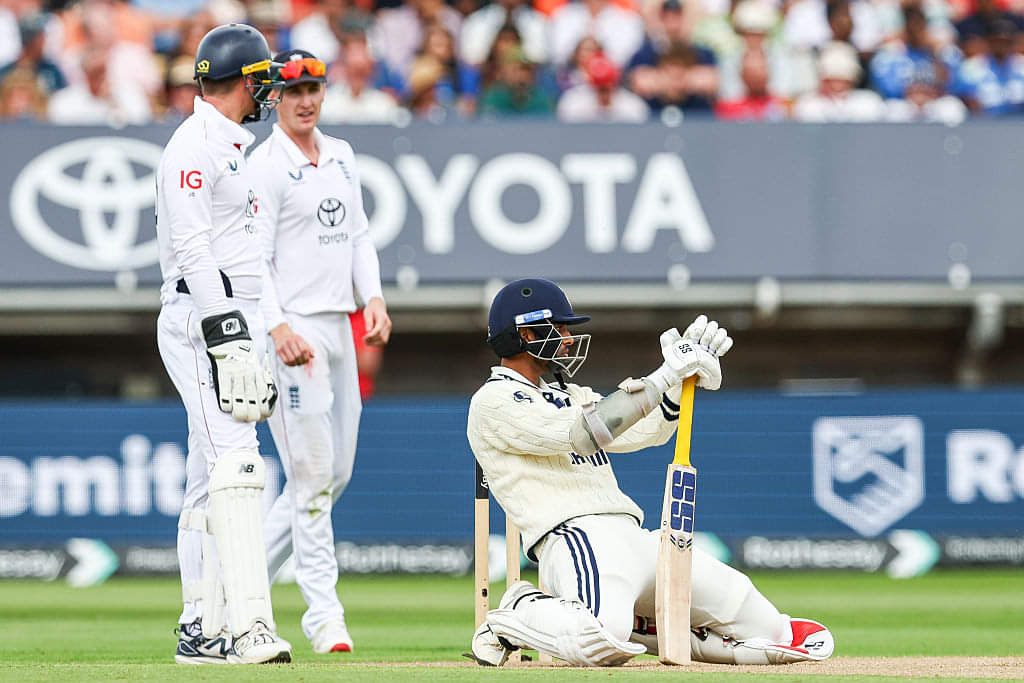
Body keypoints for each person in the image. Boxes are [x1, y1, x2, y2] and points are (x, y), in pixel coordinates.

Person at [467, 278, 836, 667]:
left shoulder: (573, 394)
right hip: (574, 537)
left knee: (763, 623)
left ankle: (644, 626)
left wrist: (679, 382)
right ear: (524, 332)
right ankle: (515, 612)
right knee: (602, 638)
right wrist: (663, 375)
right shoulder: (493, 402)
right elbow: (583, 434)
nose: (569, 338)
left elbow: (647, 430)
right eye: (558, 328)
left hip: (632, 535)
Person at [248, 49, 392, 655]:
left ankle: (231, 579)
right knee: (309, 474)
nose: (305, 99)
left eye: (314, 88)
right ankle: (324, 619)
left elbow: (357, 235)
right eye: (293, 90)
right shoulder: (265, 165)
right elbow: (251, 259)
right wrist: (278, 328)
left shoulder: (341, 155)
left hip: (339, 325)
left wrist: (374, 299)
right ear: (275, 97)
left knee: (335, 473)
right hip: (294, 332)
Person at [156, 23, 290, 665]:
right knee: (239, 465)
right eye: (262, 80)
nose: (267, 92)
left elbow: (244, 254)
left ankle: (200, 628)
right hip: (200, 317)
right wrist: (227, 335)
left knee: (207, 479)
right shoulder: (194, 146)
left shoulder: (232, 146)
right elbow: (193, 250)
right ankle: (247, 627)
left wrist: (252, 330)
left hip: (232, 318)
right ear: (242, 80)